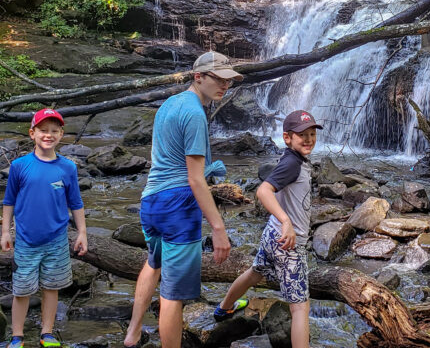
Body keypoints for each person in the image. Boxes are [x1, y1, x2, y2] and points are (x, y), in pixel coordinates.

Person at [123, 51, 242, 348]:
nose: (225, 85)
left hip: (152, 200)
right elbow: (194, 178)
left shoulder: (169, 104)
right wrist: (218, 228)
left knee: (153, 264)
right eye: (219, 78)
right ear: (198, 76)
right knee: (172, 295)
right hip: (179, 205)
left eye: (229, 80)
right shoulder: (194, 114)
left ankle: (133, 334)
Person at [213, 109, 321, 348]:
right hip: (288, 243)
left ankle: (223, 309)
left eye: (312, 134)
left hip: (271, 236)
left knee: (255, 273)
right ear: (287, 138)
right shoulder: (293, 163)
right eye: (302, 134)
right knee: (300, 307)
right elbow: (263, 191)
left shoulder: (293, 159)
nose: (309, 139)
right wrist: (286, 222)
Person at [1, 108, 88, 348]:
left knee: (52, 287)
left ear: (61, 134)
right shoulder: (20, 166)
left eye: (54, 131)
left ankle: (46, 333)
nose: (48, 135)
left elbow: (76, 203)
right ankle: (17, 335)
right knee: (22, 290)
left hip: (57, 239)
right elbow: (9, 200)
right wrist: (6, 232)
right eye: (43, 130)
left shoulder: (67, 167)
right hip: (27, 239)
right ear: (32, 133)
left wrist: (82, 232)